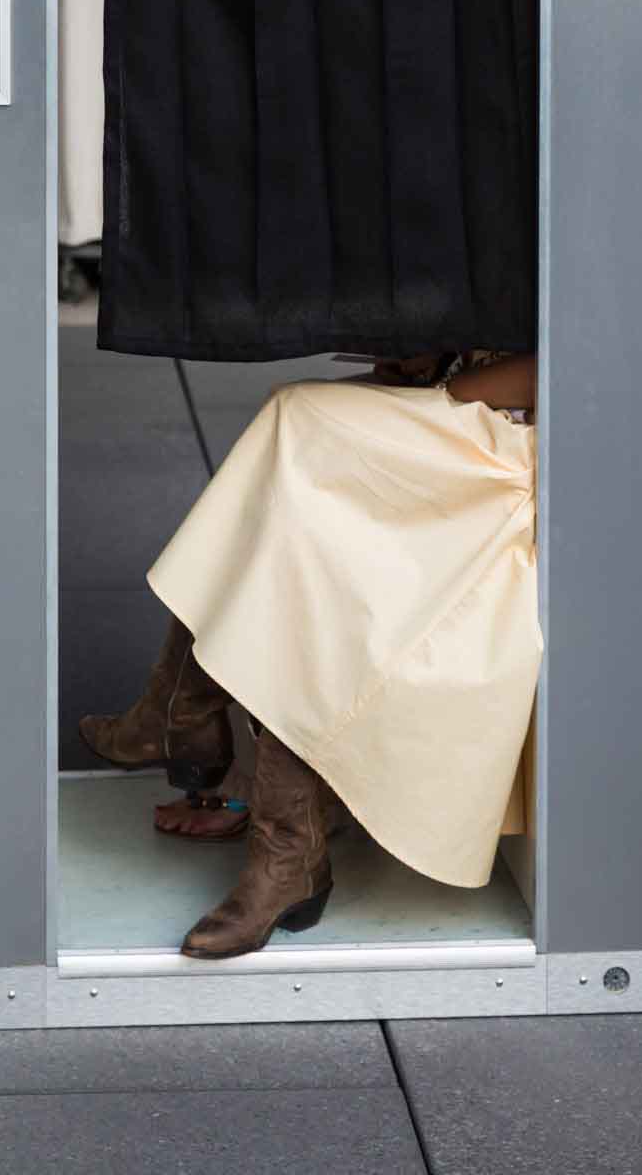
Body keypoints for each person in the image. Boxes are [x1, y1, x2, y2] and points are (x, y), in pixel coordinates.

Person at [79, 350, 540, 960]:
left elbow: (566, 356)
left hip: (520, 442)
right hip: (480, 422)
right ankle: (271, 837)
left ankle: (185, 730)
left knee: (295, 428)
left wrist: (448, 385)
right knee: (294, 465)